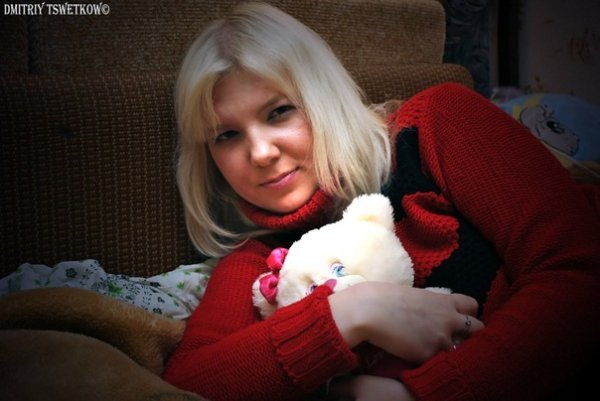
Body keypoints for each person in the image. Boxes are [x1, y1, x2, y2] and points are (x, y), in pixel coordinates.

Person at [162, 2, 600, 401]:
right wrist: (353, 312)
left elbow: (578, 269)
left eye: (279, 111)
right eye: (227, 135)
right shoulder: (257, 260)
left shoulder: (435, 124)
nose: (260, 153)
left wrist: (419, 395)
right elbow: (186, 386)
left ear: (324, 99)